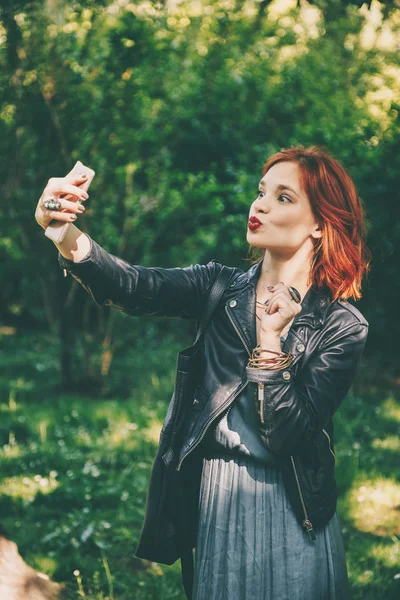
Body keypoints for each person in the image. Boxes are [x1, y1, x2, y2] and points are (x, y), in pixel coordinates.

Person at [35, 145, 371, 599]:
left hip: (294, 508)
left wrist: (271, 343)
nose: (260, 205)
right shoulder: (218, 286)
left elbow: (287, 435)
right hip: (218, 495)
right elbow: (133, 285)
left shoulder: (341, 325)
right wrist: (62, 230)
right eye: (260, 192)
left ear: (319, 224)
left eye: (284, 197)